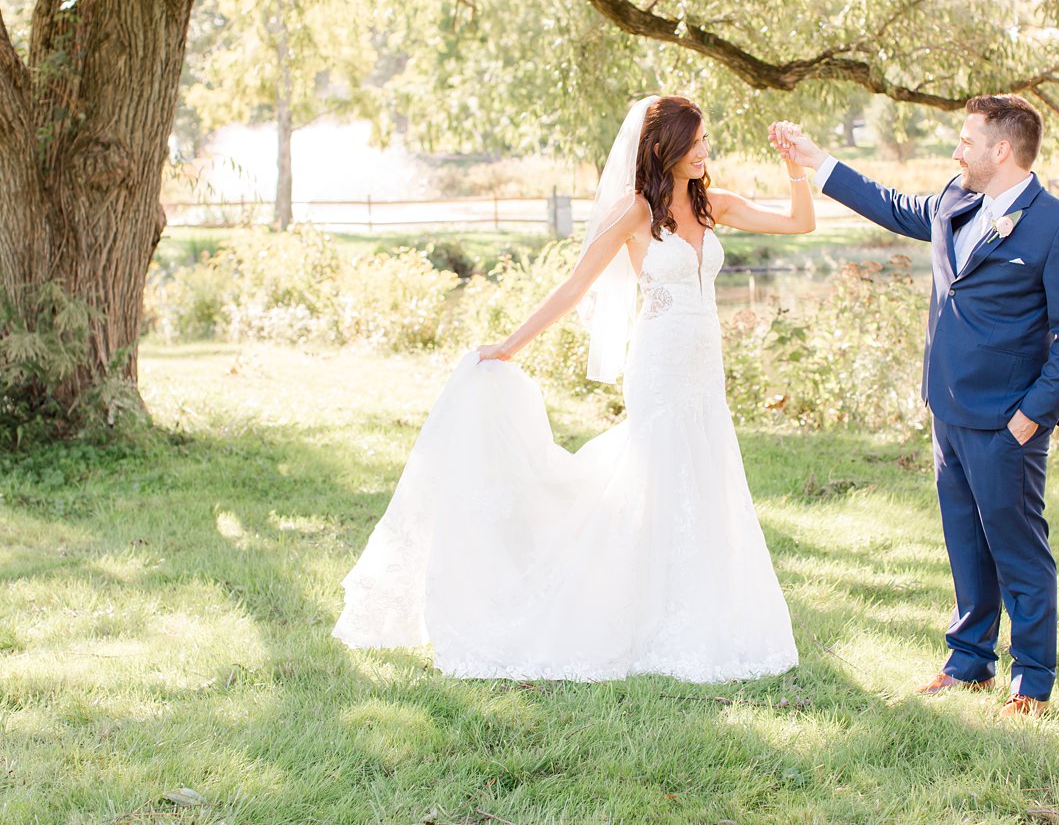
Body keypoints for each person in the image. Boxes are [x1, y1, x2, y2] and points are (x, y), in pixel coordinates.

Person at [333, 95, 813, 683]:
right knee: (657, 479)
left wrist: (796, 166)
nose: (704, 151)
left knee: (704, 480)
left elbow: (799, 222)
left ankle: (695, 612)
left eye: (706, 140)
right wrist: (507, 346)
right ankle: (633, 612)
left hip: (704, 372)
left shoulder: (715, 204)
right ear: (663, 147)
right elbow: (573, 287)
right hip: (659, 369)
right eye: (695, 142)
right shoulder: (635, 213)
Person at [770, 94, 1059, 716]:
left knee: (1019, 547)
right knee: (964, 544)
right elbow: (895, 207)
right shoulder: (955, 200)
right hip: (946, 410)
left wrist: (1031, 416)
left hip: (1008, 422)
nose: (957, 150)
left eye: (966, 141)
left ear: (1001, 151)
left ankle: (1031, 679)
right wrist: (817, 162)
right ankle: (969, 661)